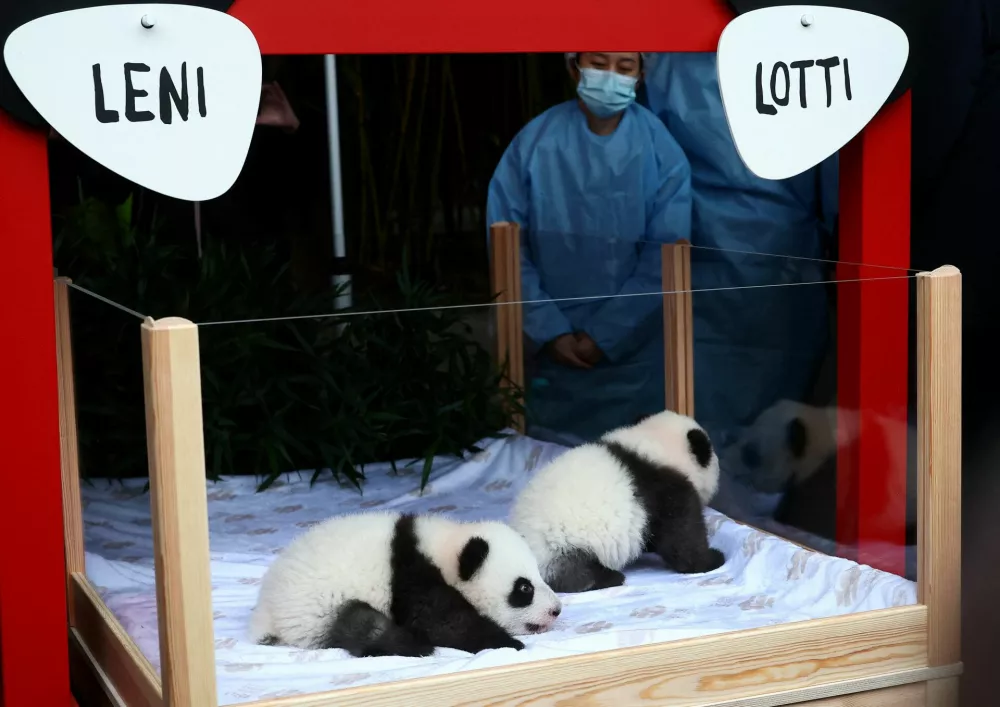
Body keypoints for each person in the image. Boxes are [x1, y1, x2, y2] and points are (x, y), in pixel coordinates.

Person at [486, 51, 692, 445]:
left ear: (642, 74)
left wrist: (607, 334)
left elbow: (666, 258)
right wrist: (549, 329)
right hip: (548, 358)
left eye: (625, 67)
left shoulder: (661, 150)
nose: (610, 76)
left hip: (633, 361)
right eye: (598, 63)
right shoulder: (534, 143)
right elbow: (507, 246)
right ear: (573, 66)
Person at [640, 52, 839, 448]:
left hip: (698, 236)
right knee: (768, 386)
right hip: (780, 243)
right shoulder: (802, 40)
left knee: (693, 387)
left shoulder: (666, 52)